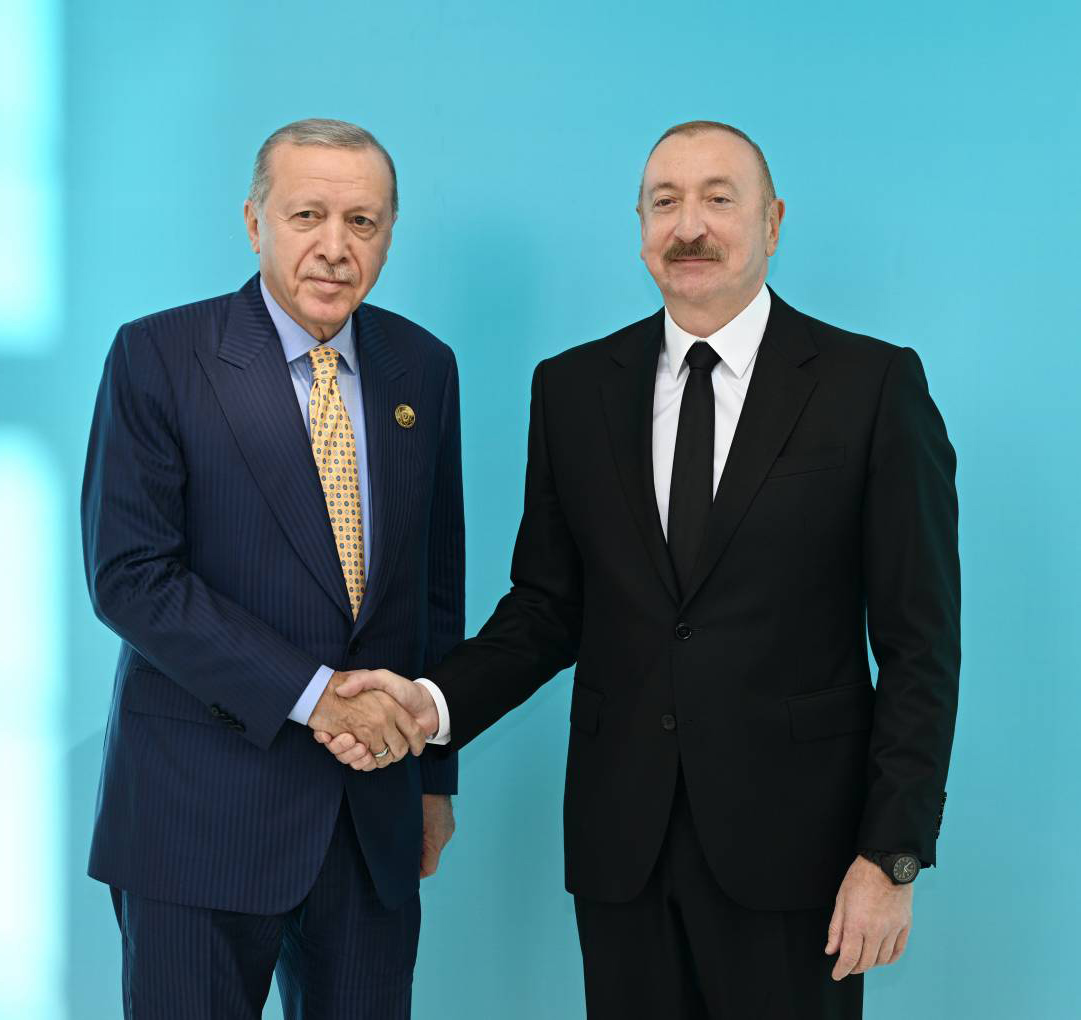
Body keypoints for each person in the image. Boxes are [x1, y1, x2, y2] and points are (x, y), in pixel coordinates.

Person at [324, 121, 960, 1019]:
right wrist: (430, 706)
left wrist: (890, 856)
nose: (688, 226)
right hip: (622, 849)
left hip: (800, 855)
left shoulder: (871, 386)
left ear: (772, 222)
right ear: (639, 227)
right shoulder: (572, 388)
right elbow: (546, 609)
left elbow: (919, 647)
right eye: (665, 202)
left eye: (717, 199)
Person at [81, 118, 463, 1019]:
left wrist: (433, 781)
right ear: (255, 222)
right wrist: (316, 695)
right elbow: (131, 576)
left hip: (371, 817)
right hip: (198, 815)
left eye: (362, 222)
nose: (334, 247)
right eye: (306, 216)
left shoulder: (422, 366)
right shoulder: (159, 355)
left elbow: (432, 590)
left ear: (389, 234)